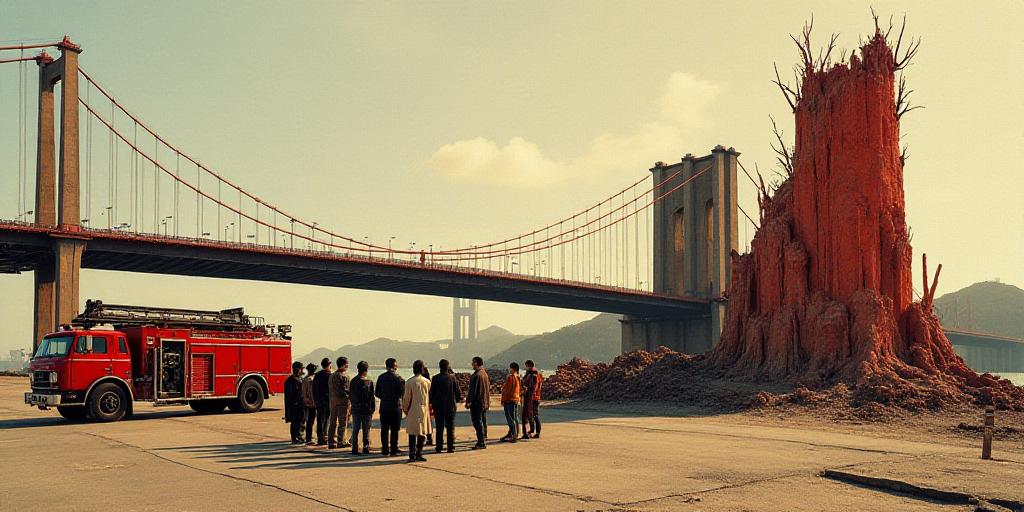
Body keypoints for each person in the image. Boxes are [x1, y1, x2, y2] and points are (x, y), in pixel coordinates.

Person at [429, 358, 462, 453]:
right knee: (450, 427)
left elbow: (432, 393)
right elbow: (458, 393)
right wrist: (459, 399)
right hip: (450, 406)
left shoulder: (435, 378)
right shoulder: (452, 378)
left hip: (438, 407)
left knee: (439, 427)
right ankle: (450, 447)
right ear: (448, 367)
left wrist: (431, 403)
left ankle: (439, 446)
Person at [403, 360, 432, 462]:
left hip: (412, 409)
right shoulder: (427, 382)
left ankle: (411, 454)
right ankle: (419, 453)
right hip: (424, 409)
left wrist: (406, 409)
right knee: (422, 432)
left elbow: (406, 398)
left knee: (412, 432)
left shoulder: (409, 382)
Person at [375, 358, 405, 456]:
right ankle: (394, 449)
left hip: (384, 406)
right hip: (396, 406)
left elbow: (377, 393)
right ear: (394, 366)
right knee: (395, 430)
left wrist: (385, 397)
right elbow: (403, 393)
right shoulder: (399, 378)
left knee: (384, 429)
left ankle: (385, 449)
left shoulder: (381, 378)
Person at [349, 360, 375, 455]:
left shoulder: (353, 381)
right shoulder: (368, 382)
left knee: (355, 429)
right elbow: (371, 397)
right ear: (366, 370)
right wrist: (372, 408)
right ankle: (365, 447)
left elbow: (350, 395)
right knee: (366, 429)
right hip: (366, 409)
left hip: (355, 408)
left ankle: (354, 448)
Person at [465, 356, 490, 450]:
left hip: (477, 403)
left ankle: (481, 441)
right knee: (483, 421)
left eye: (473, 362)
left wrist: (469, 401)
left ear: (476, 363)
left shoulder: (477, 375)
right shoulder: (484, 374)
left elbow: (473, 390)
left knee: (477, 422)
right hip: (484, 401)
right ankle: (483, 439)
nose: (472, 364)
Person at [328, 356, 351, 449]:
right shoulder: (344, 377)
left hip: (333, 401)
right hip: (343, 402)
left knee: (333, 421)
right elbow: (346, 390)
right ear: (344, 364)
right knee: (342, 422)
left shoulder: (331, 376)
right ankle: (341, 441)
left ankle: (331, 441)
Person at [312, 357, 332, 446]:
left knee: (320, 419)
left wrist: (315, 399)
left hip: (319, 400)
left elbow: (314, 389)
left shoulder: (317, 375)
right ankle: (324, 436)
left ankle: (320, 437)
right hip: (326, 400)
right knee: (326, 419)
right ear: (328, 365)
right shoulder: (329, 376)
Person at [284, 361, 305, 444]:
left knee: (294, 421)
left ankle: (294, 437)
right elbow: (297, 393)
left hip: (291, 404)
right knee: (297, 421)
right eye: (301, 369)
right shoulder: (295, 380)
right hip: (296, 405)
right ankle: (297, 436)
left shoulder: (289, 380)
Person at [500, 362, 521, 443]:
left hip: (510, 400)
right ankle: (512, 433)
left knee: (511, 418)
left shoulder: (511, 377)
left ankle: (514, 435)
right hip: (515, 399)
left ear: (512, 368)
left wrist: (504, 399)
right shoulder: (518, 377)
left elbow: (509, 390)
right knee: (514, 417)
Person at [301, 363, 318, 445]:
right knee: (311, 420)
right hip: (312, 403)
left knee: (309, 420)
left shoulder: (305, 379)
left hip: (306, 402)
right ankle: (309, 437)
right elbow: (311, 392)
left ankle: (308, 437)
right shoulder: (312, 380)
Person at [526, 360, 543, 438]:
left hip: (533, 397)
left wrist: (532, 394)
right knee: (532, 414)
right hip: (535, 396)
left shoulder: (533, 374)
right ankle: (533, 430)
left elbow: (535, 386)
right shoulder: (537, 373)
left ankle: (537, 432)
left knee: (534, 414)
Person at [421, 365, 433, 446]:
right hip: (428, 404)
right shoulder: (429, 382)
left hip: (422, 404)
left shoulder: (419, 381)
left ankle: (422, 438)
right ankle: (429, 438)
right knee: (428, 422)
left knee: (421, 422)